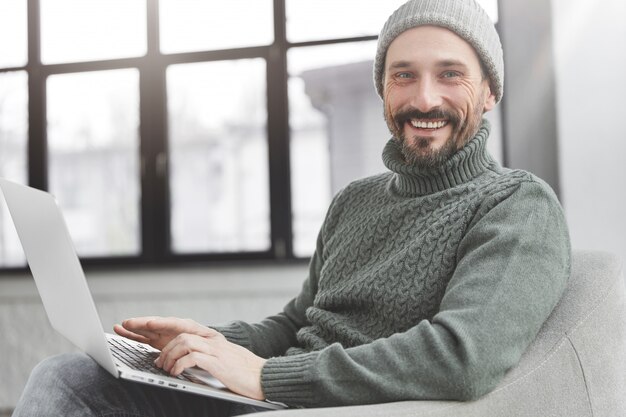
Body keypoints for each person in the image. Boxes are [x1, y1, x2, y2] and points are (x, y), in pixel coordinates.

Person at [12, 0, 571, 415]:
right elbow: (298, 323)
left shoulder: (516, 205)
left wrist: (267, 379)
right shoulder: (355, 202)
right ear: (384, 90)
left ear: (490, 91)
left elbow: (460, 356)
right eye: (404, 75)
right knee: (69, 377)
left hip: (317, 404)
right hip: (273, 394)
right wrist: (205, 343)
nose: (424, 99)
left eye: (450, 74)